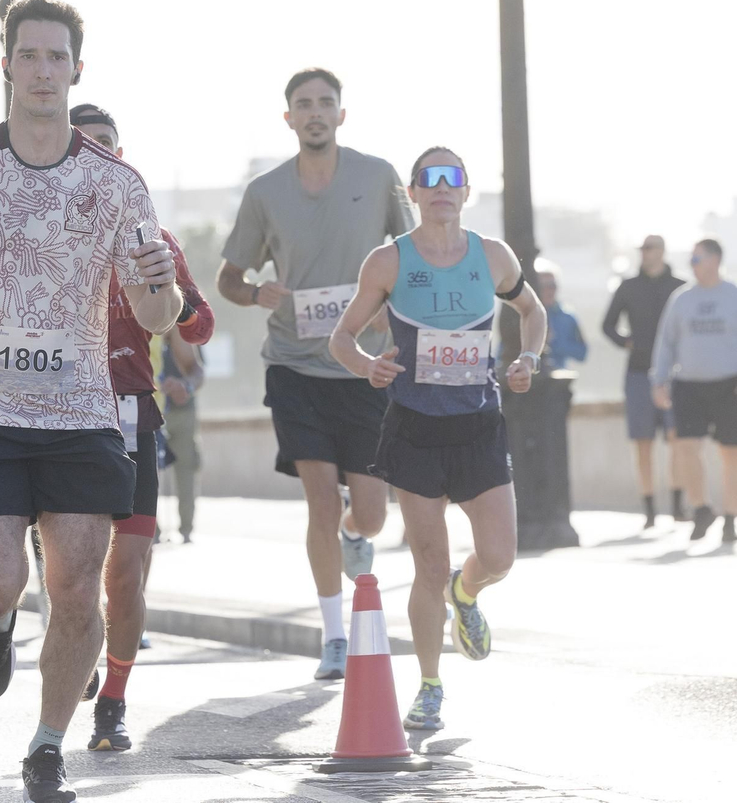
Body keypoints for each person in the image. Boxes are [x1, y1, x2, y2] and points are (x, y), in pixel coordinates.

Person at [0, 0, 180, 803]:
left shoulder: (118, 184)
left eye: (59, 58)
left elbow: (157, 313)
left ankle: (49, 744)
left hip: (81, 413)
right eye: (31, 56)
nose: (45, 71)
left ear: (77, 70)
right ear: (7, 66)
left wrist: (157, 294)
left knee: (77, 582)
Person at [330, 146, 545, 733]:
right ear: (414, 192)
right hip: (415, 430)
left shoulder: (493, 256)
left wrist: (527, 358)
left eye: (453, 177)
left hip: (478, 424)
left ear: (466, 191)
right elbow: (342, 339)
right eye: (431, 178)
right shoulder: (388, 261)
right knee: (428, 566)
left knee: (499, 557)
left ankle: (466, 593)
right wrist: (367, 365)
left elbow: (532, 310)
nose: (442, 186)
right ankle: (430, 685)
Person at [216, 67, 415, 681]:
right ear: (289, 119)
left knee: (373, 515)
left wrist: (388, 311)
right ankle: (334, 639)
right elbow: (228, 279)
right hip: (296, 367)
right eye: (303, 105)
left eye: (326, 103)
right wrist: (255, 295)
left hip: (364, 368)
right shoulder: (265, 192)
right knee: (320, 502)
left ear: (341, 114)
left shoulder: (378, 175)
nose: (315, 113)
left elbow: (411, 257)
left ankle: (360, 534)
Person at [70, 103, 215, 752]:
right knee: (72, 575)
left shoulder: (150, 235)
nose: (97, 155)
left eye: (108, 145)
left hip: (131, 417)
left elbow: (200, 323)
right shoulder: (27, 235)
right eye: (84, 144)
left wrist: (172, 299)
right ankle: (73, 644)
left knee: (124, 573)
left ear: (120, 158)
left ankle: (114, 700)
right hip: (55, 419)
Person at [650, 238, 737, 544]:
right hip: (688, 384)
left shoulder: (733, 295)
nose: (693, 265)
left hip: (729, 385)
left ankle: (730, 517)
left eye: (697, 259)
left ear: (715, 259)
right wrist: (658, 381)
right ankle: (701, 508)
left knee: (731, 452)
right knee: (686, 447)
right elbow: (666, 343)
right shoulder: (682, 299)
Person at [603, 236, 687, 527]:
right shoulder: (628, 287)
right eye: (643, 249)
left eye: (650, 249)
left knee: (678, 439)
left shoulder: (679, 287)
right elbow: (607, 325)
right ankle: (649, 511)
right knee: (643, 442)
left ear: (662, 251)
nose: (645, 254)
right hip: (638, 372)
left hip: (674, 375)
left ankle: (678, 507)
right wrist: (628, 343)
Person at [160, 328, 206, 543]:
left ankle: (186, 528)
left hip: (184, 411)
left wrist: (185, 385)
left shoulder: (187, 330)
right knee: (147, 470)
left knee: (186, 469)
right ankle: (152, 529)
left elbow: (198, 371)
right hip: (154, 410)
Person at [536, 268, 587, 370]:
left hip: (557, 376)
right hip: (529, 376)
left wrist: (554, 343)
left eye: (552, 286)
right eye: (543, 287)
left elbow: (582, 353)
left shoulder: (568, 317)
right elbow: (503, 351)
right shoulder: (525, 315)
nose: (548, 291)